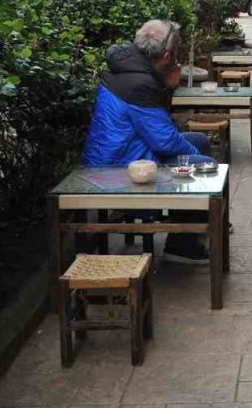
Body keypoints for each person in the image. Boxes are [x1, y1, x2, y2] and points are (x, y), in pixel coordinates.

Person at [83, 19, 215, 262]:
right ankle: (182, 245)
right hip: (118, 167)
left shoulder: (129, 68)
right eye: (176, 53)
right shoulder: (140, 83)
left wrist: (167, 87)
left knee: (199, 141)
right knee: (205, 166)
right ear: (166, 56)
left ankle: (199, 217)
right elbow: (165, 141)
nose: (178, 59)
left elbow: (158, 125)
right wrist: (194, 157)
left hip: (126, 151)